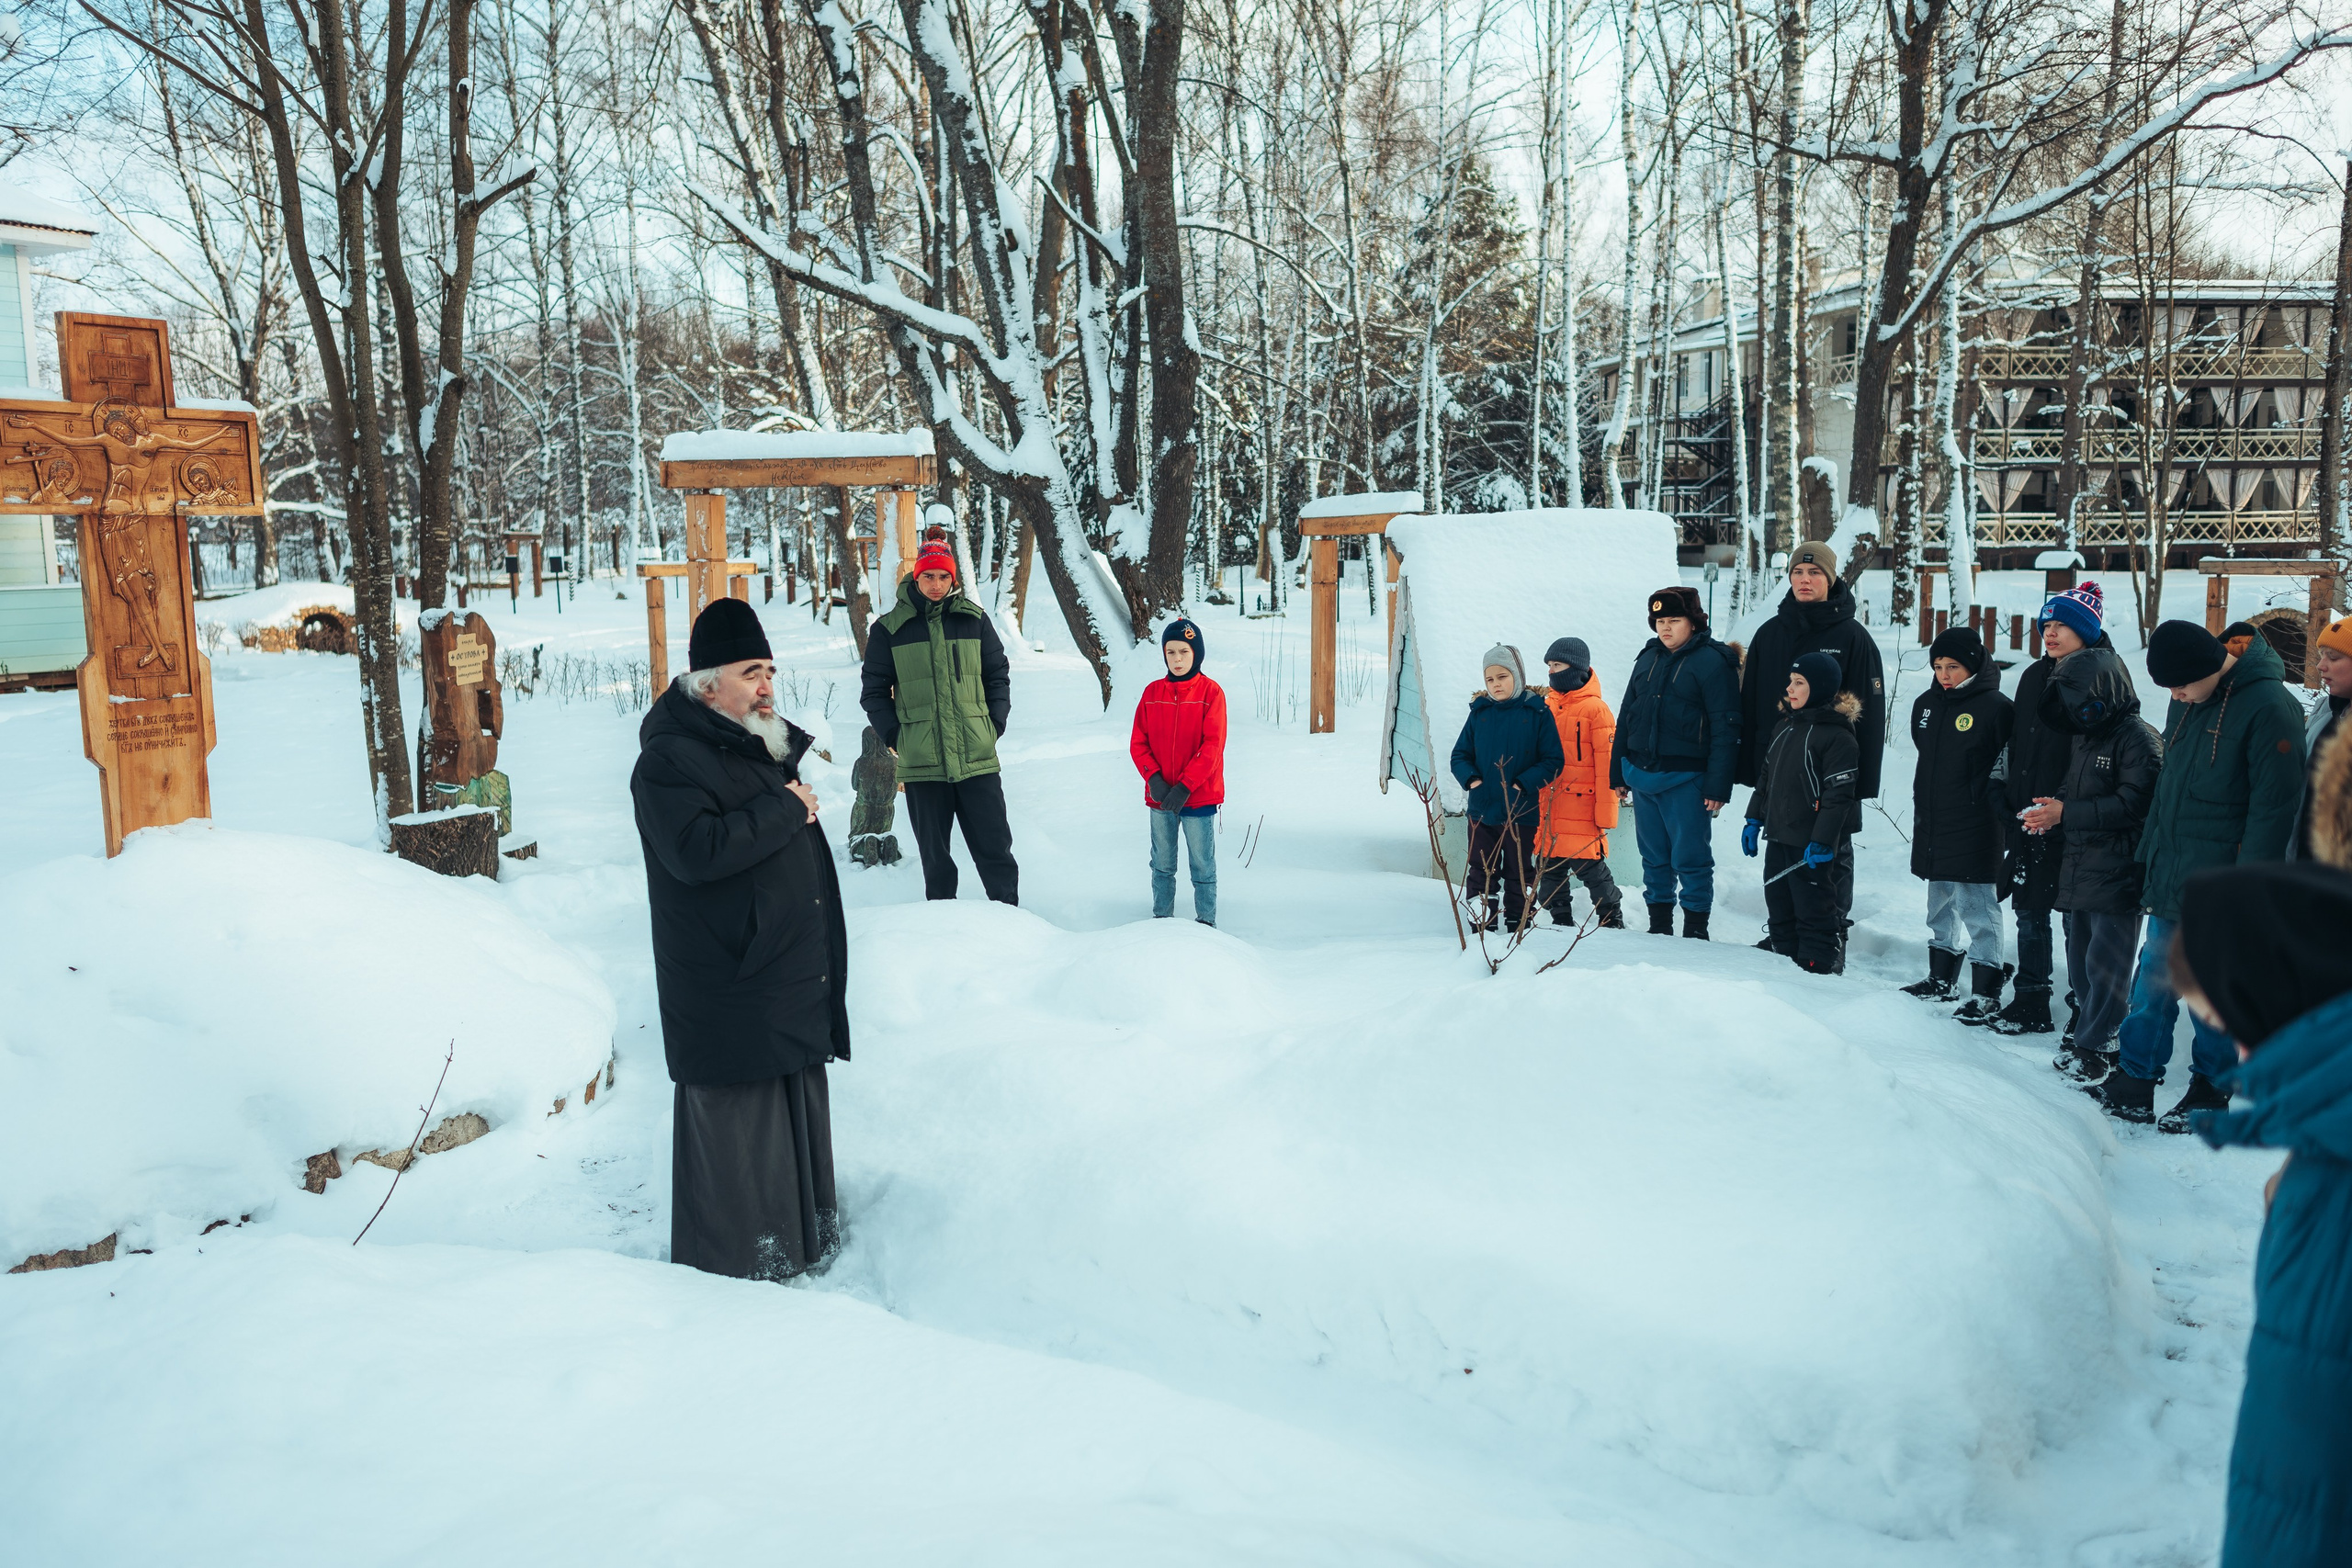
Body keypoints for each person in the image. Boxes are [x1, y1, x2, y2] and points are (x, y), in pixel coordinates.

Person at [631, 599, 849, 1281]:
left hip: (776, 974)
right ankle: (736, 1271)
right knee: (742, 1135)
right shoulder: (669, 761)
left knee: (788, 1111)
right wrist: (784, 807)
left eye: (771, 671)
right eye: (751, 672)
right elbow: (695, 852)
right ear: (707, 683)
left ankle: (798, 1244)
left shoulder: (748, 739)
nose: (766, 686)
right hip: (730, 979)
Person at [2176, 861, 2352, 1568]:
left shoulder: (2334, 1185)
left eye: (2229, 1023)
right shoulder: (2323, 1151)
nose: (2238, 1054)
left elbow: (2311, 1448)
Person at [2090, 620, 2308, 1129]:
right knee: (2153, 984)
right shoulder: (2186, 699)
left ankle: (2212, 1089)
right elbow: (2170, 790)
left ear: (2210, 667)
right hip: (2173, 872)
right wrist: (2149, 854)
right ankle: (2136, 1079)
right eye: (2168, 687)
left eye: (2180, 684)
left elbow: (2275, 811)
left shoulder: (2271, 707)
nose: (2175, 695)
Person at [2030, 644, 2163, 1082]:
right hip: (2082, 866)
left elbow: (2133, 806)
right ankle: (2090, 1037)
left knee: (2108, 967)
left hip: (2119, 872)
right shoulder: (2088, 738)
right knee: (2083, 963)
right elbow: (2077, 792)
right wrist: (2056, 806)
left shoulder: (2138, 738)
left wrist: (2066, 814)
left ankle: (2097, 1049)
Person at [860, 537, 1018, 903]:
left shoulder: (974, 621)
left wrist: (993, 726)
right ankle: (942, 933)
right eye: (927, 576)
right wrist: (898, 738)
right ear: (916, 578)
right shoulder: (889, 629)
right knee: (936, 860)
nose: (935, 584)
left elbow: (998, 676)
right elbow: (873, 692)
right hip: (922, 764)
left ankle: (1012, 923)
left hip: (977, 758)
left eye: (942, 577)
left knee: (996, 850)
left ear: (953, 579)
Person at [1991, 581, 2111, 1039]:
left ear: (2087, 630)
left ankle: (2084, 1008)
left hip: (2075, 818)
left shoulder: (2101, 676)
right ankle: (2030, 999)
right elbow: (2015, 741)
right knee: (2029, 909)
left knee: (2075, 921)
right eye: (2047, 624)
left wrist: (2065, 806)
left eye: (2062, 625)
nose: (2051, 632)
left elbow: (2099, 754)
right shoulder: (2032, 676)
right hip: (2028, 813)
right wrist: (1999, 785)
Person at [1611, 585, 1741, 939]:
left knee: (1691, 858)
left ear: (1694, 622)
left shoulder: (1714, 662)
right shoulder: (1648, 657)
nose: (1664, 628)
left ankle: (1696, 931)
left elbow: (1726, 728)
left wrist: (1718, 784)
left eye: (1673, 620)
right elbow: (1627, 717)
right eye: (1659, 621)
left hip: (1687, 779)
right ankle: (1660, 928)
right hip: (1642, 776)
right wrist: (1618, 772)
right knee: (1653, 858)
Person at [1901, 625, 2015, 1020]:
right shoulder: (1926, 705)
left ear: (1974, 665)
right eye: (1937, 666)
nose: (1944, 675)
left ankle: (1987, 988)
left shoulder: (1997, 707)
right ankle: (1941, 978)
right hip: (1935, 820)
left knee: (1978, 907)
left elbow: (2006, 768)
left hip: (1977, 823)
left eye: (1953, 666)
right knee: (1940, 901)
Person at [1736, 540, 1886, 806]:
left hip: (1829, 774)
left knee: (1827, 844)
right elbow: (1749, 703)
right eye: (1798, 572)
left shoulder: (1853, 637)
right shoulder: (1768, 634)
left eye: (1814, 572)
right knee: (1779, 845)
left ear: (1830, 579)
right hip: (1774, 767)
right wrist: (1747, 766)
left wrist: (1862, 783)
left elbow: (1870, 715)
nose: (1805, 579)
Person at [1742, 649, 1861, 973]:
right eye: (1790, 682)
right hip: (1780, 833)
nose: (1790, 689)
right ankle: (1784, 957)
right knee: (1778, 898)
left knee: (1812, 905)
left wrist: (1824, 840)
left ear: (1820, 688)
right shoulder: (1786, 726)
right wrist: (1755, 818)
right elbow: (1766, 777)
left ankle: (1817, 966)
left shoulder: (1837, 736)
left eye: (1799, 683)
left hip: (1810, 840)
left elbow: (1839, 796)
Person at [1451, 645, 1564, 934]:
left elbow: (1553, 759)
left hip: (1521, 810)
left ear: (1517, 676)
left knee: (1519, 869)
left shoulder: (1536, 712)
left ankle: (1518, 922)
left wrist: (1523, 783)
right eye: (1490, 679)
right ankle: (1482, 926)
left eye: (1502, 677)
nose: (1496, 684)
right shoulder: (1480, 713)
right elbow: (1459, 755)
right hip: (1482, 809)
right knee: (1482, 869)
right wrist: (1472, 780)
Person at [1129, 617, 1227, 925]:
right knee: (1162, 863)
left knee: (1202, 863)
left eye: (1184, 651)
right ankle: (1162, 919)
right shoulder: (1152, 692)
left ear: (1196, 653)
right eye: (1171, 652)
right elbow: (1138, 742)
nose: (1178, 659)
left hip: (1197, 797)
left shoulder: (1211, 693)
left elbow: (1212, 746)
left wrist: (1185, 786)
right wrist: (1154, 779)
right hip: (1160, 798)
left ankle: (1207, 922)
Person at [1533, 637, 1625, 930]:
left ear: (1575, 667)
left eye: (1557, 665)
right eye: (1549, 666)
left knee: (1592, 870)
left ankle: (1611, 917)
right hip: (1548, 807)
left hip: (1582, 810)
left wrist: (1606, 815)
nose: (1552, 672)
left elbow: (1608, 767)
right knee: (1548, 872)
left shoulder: (1596, 711)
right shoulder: (1544, 706)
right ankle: (1560, 919)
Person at [2290, 612, 2351, 860]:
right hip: (2305, 864)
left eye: (2333, 657)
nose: (2320, 665)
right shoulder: (2325, 710)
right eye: (2321, 655)